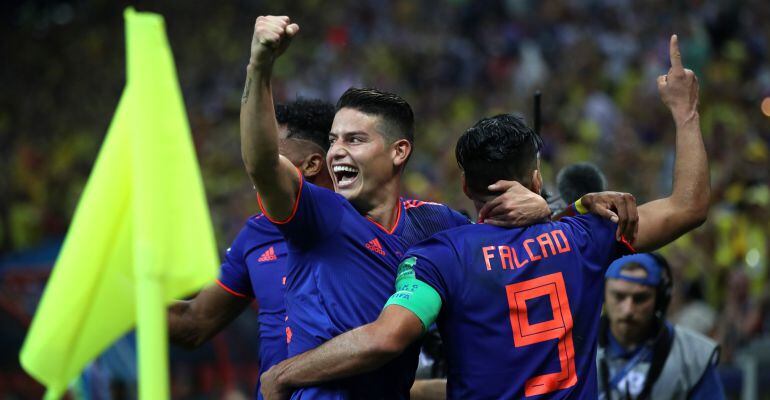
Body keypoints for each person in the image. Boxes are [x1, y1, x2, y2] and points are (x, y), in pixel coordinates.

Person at [258, 34, 710, 399]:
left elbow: (386, 338)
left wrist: (284, 374)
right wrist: (684, 113)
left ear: (466, 187)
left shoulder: (440, 256)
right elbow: (687, 207)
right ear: (535, 179)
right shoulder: (585, 236)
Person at [167, 98, 336, 399]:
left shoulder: (364, 227)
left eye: (270, 151)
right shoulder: (256, 233)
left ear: (312, 164)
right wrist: (123, 303)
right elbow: (194, 323)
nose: (254, 164)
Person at [597, 253, 724, 399]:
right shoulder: (577, 348)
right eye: (619, 296)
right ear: (603, 295)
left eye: (640, 298)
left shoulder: (692, 357)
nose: (628, 310)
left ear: (660, 300)